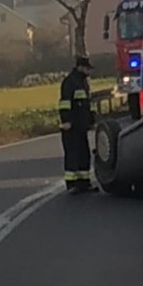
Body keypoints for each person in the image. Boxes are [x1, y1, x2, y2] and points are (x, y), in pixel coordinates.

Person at [59, 55, 97, 193]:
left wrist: (92, 120)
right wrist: (66, 121)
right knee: (72, 154)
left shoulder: (83, 83)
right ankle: (72, 184)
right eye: (88, 69)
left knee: (84, 154)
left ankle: (84, 182)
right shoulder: (70, 82)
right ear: (81, 67)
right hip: (72, 126)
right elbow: (65, 103)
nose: (89, 72)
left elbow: (88, 104)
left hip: (82, 126)